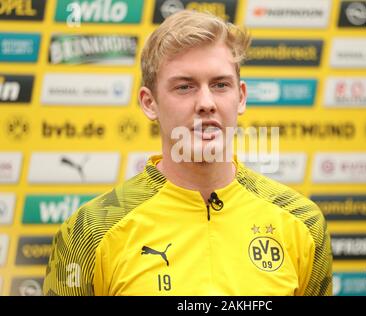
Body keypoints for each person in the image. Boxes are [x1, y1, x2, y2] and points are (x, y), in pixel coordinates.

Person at [43, 10, 332, 296]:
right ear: (149, 102)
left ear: (241, 97)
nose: (206, 103)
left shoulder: (302, 221)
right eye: (184, 87)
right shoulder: (90, 231)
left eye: (220, 85)